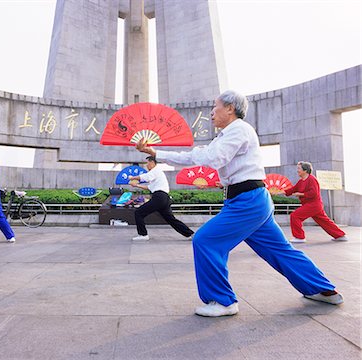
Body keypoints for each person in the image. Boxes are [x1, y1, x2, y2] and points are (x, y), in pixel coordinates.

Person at [135, 90, 344, 317]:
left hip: (248, 201)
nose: (211, 113)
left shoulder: (238, 130)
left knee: (205, 241)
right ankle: (323, 290)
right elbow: (197, 157)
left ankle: (223, 301)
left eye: (215, 107)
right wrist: (156, 153)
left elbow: (213, 158)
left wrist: (168, 153)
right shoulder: (227, 134)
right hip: (249, 200)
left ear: (230, 108)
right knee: (279, 250)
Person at [128, 156, 194, 241]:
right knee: (171, 219)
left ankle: (143, 234)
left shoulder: (156, 170)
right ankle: (190, 234)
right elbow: (149, 187)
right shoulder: (157, 174)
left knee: (138, 213)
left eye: (147, 163)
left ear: (152, 162)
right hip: (164, 198)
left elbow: (145, 177)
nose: (146, 166)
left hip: (159, 197)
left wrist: (132, 178)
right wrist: (137, 185)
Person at [279, 161, 348, 243]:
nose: (297, 170)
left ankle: (299, 237)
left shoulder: (312, 179)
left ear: (305, 170)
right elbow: (292, 189)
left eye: (299, 168)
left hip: (313, 205)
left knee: (295, 216)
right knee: (324, 221)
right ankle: (340, 235)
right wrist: (280, 192)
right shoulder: (301, 181)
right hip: (313, 206)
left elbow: (313, 193)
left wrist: (301, 194)